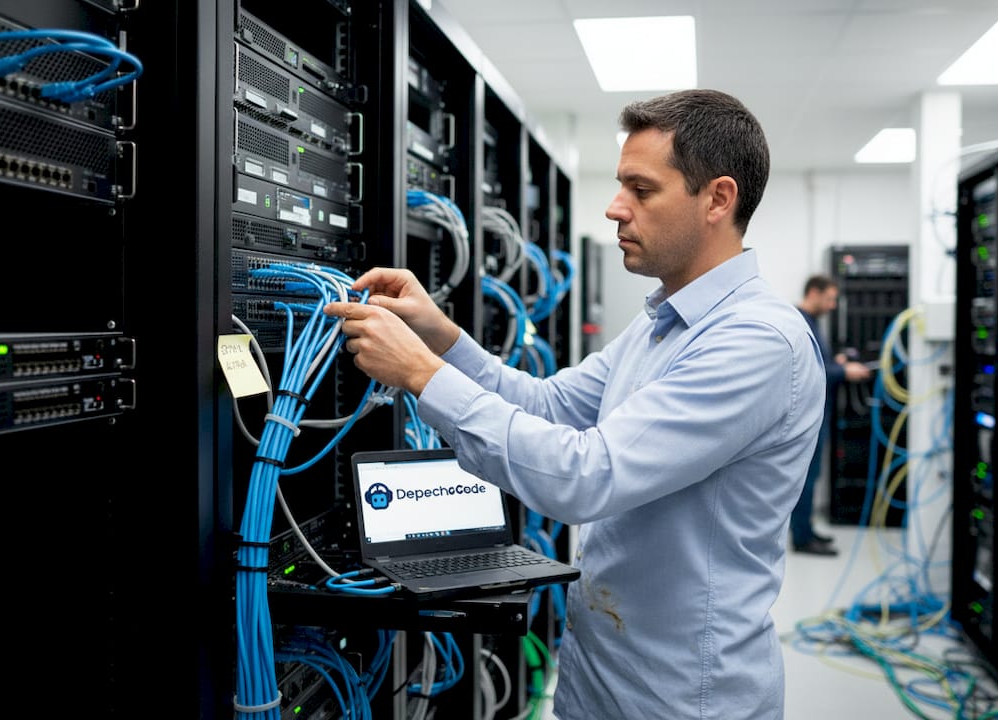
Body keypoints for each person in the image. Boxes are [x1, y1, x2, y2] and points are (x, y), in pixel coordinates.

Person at [324, 89, 826, 719]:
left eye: (641, 191)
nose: (616, 209)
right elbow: (550, 404)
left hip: (680, 699)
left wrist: (423, 375)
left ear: (717, 200)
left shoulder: (757, 342)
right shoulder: (662, 323)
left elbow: (588, 476)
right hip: (600, 676)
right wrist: (443, 339)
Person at [789, 274, 872, 556]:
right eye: (830, 298)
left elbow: (818, 363)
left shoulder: (811, 322)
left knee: (812, 476)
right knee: (806, 477)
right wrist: (844, 371)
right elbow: (806, 368)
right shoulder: (798, 321)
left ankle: (806, 530)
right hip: (805, 417)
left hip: (816, 414)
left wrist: (834, 363)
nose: (833, 305)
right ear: (814, 292)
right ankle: (801, 537)